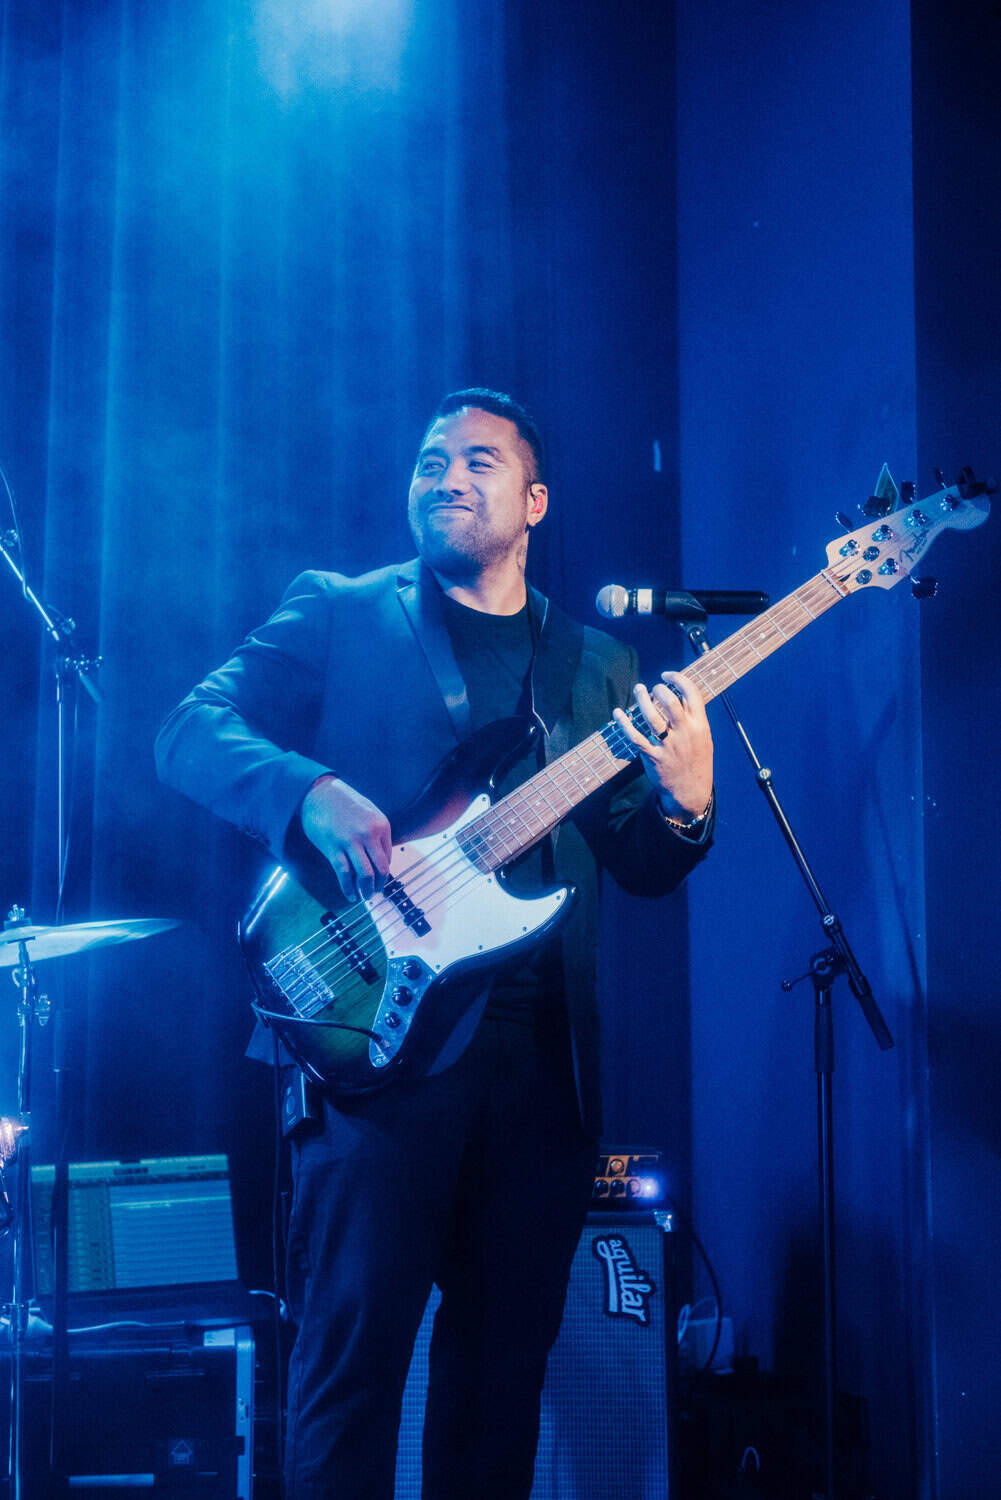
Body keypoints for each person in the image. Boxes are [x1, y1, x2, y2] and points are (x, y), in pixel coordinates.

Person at [155, 389, 714, 1499]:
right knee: (348, 1386)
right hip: (373, 1058)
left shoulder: (593, 664)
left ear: (534, 502)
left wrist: (687, 805)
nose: (446, 477)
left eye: (477, 462)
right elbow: (187, 731)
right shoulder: (338, 611)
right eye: (429, 461)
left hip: (540, 1080)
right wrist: (305, 788)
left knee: (496, 1398)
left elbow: (643, 866)